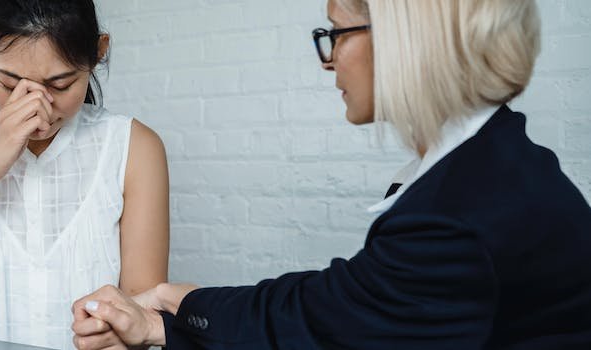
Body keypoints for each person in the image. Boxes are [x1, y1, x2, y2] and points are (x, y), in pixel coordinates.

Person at [71, 0, 591, 349]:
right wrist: (167, 316)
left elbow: (327, 324)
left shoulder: (459, 213)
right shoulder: (492, 166)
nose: (329, 60)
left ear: (404, 39)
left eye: (338, 34)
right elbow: (342, 302)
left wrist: (171, 308)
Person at [0, 0, 170, 348]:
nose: (36, 107)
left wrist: (123, 331)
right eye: (10, 85)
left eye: (60, 84)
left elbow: (140, 325)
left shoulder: (134, 149)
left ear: (97, 53)